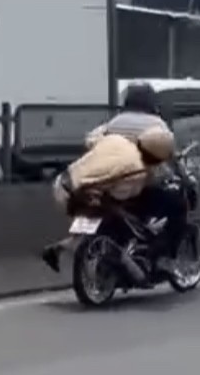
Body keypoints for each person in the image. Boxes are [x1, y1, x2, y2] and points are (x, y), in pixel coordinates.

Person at [41, 83, 187, 275]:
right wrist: (182, 176)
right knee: (177, 205)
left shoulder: (114, 123)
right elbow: (169, 157)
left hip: (98, 183)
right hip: (134, 183)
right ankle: (164, 258)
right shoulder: (157, 125)